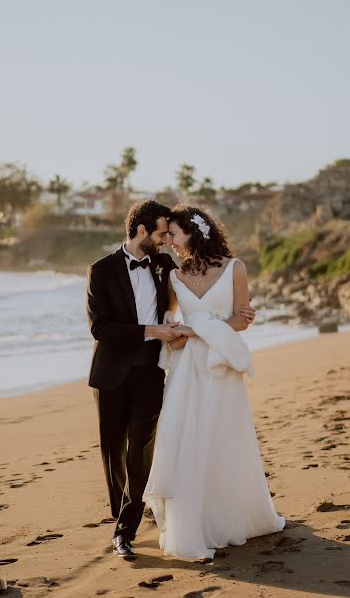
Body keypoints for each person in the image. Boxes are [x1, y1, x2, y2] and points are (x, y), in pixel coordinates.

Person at [86, 200, 256, 560]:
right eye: (162, 233)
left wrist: (230, 319)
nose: (166, 241)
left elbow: (192, 301)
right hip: (112, 373)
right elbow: (100, 328)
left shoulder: (166, 267)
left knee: (141, 450)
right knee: (112, 451)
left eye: (170, 234)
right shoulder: (101, 271)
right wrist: (156, 330)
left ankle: (125, 530)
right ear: (142, 232)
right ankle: (123, 509)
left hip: (152, 370)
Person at [143, 205, 285, 560]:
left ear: (195, 233)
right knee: (188, 438)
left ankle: (233, 516)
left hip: (220, 364)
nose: (170, 242)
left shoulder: (235, 268)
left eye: (174, 234)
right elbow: (170, 322)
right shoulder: (175, 277)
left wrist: (199, 328)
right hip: (188, 366)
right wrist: (176, 334)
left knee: (224, 437)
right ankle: (193, 523)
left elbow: (241, 319)